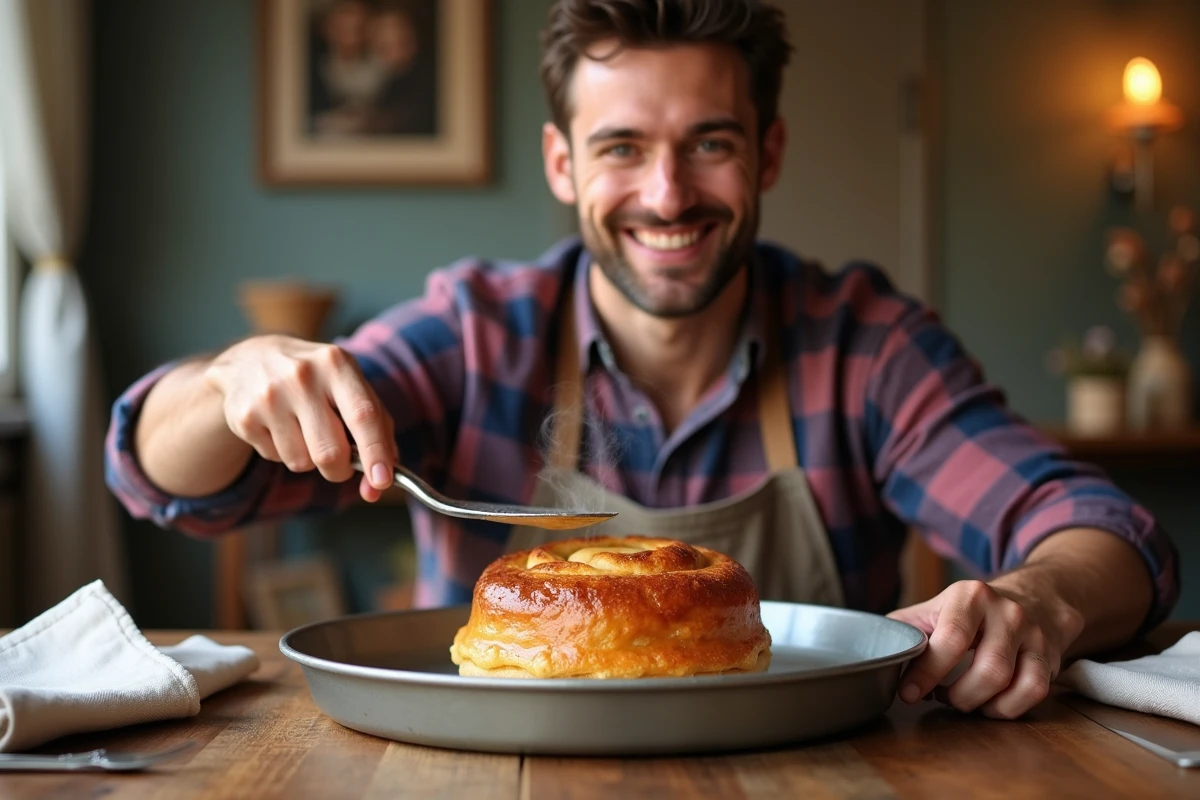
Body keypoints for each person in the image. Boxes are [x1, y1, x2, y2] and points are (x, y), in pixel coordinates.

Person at [107, 0, 1179, 720]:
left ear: (767, 152)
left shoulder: (864, 344)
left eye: (710, 142)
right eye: (623, 147)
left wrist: (1040, 598)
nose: (669, 196)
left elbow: (1104, 531)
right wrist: (225, 380)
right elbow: (169, 481)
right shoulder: (476, 334)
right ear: (562, 164)